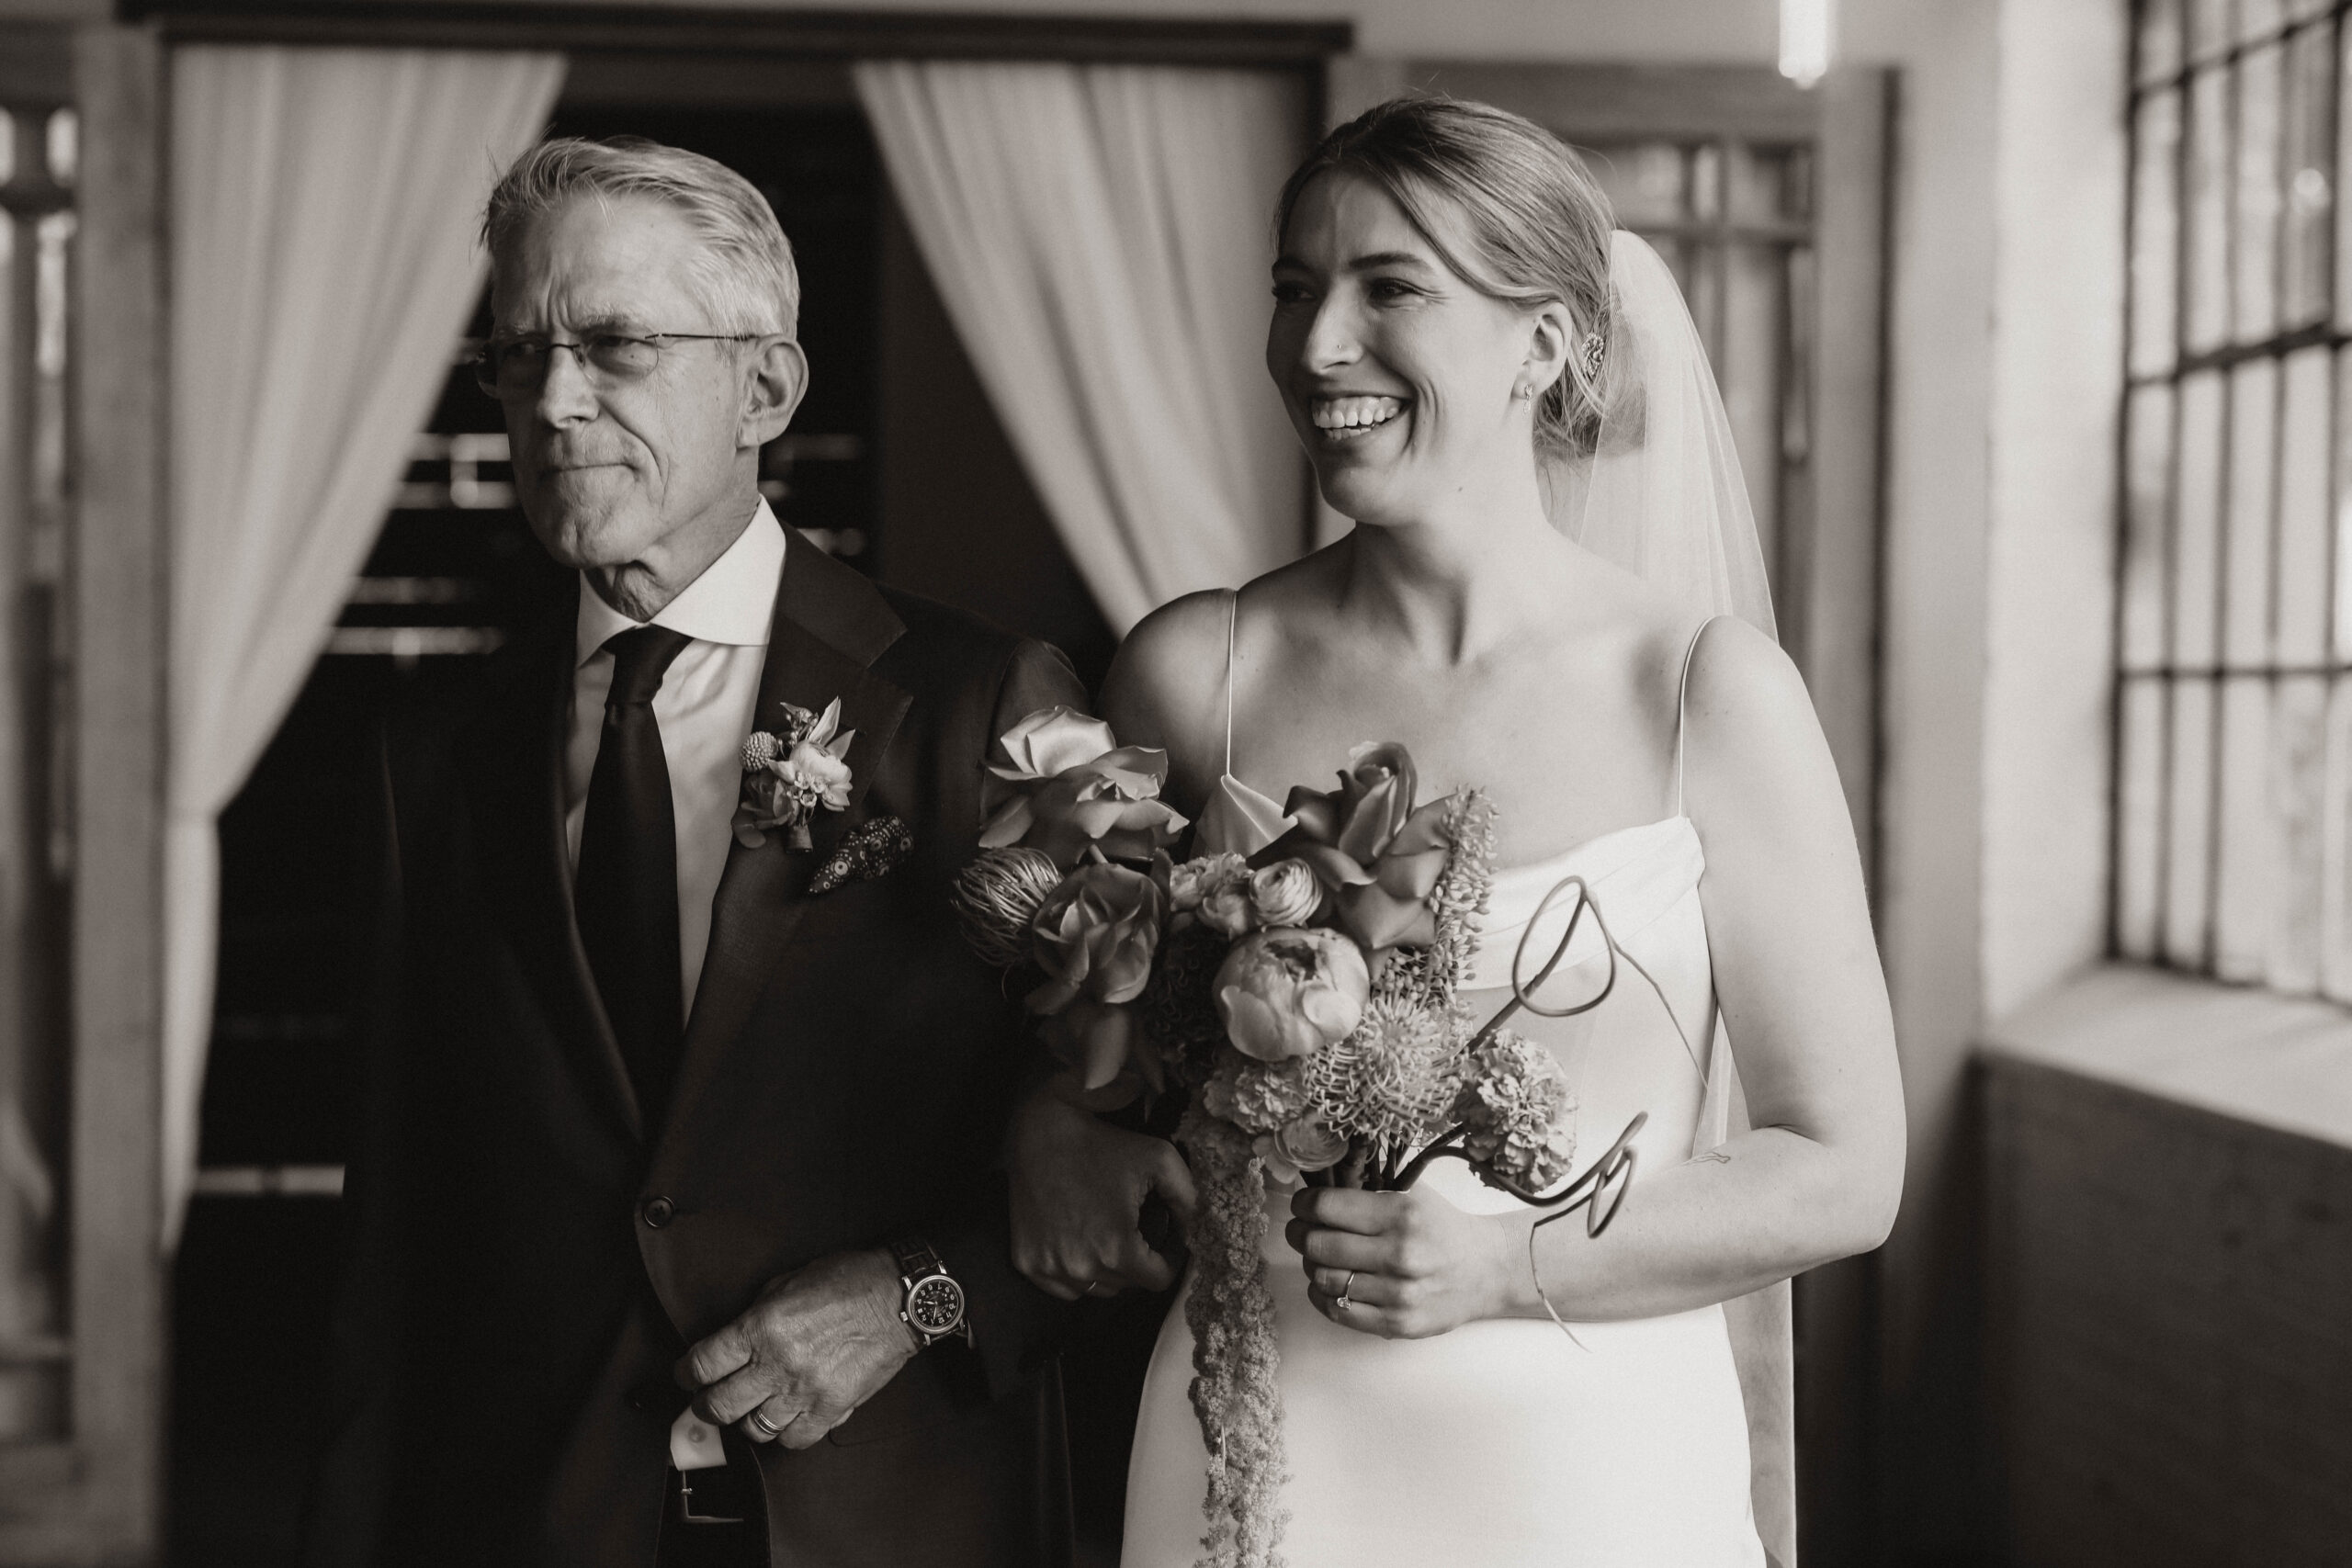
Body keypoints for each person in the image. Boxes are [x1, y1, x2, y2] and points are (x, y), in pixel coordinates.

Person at [1008, 97, 1906, 1567]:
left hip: (1592, 1475)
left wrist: (1512, 1257)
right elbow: (1093, 1076)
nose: (1315, 347)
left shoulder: (1700, 693)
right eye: (1296, 288)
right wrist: (1051, 1124)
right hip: (1259, 1456)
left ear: (1544, 344)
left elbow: (1846, 1168)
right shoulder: (1197, 671)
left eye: (1390, 288)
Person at [304, 136, 1086, 1568]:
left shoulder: (983, 705)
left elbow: (1119, 1180)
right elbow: (392, 1248)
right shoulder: (435, 758)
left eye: (614, 345)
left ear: (768, 389)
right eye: (518, 356)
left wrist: (914, 1296)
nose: (552, 402)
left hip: (887, 1519)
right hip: (529, 1524)